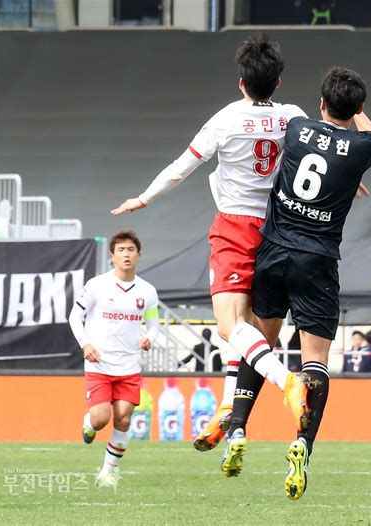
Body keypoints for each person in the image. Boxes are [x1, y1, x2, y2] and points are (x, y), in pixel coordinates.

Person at [110, 33, 312, 451]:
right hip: (279, 228)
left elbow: (181, 168)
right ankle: (230, 416)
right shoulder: (294, 116)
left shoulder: (225, 120)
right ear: (277, 82)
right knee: (249, 333)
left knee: (228, 326)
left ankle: (286, 381)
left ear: (242, 81)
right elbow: (320, 159)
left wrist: (143, 198)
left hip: (237, 226)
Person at [220, 67, 371, 501]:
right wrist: (359, 114)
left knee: (260, 343)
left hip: (273, 251)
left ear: (321, 104)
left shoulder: (295, 129)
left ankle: (237, 427)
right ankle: (301, 445)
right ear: (356, 109)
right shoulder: (362, 148)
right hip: (316, 261)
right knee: (315, 362)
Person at [68, 230, 159, 488]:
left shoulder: (148, 291)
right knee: (100, 418)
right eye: (121, 250)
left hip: (129, 366)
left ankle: (108, 472)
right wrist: (85, 344)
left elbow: (153, 323)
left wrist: (149, 337)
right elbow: (75, 317)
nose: (126, 254)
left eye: (131, 250)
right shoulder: (97, 285)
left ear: (139, 255)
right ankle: (88, 422)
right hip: (100, 364)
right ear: (112, 257)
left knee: (124, 418)